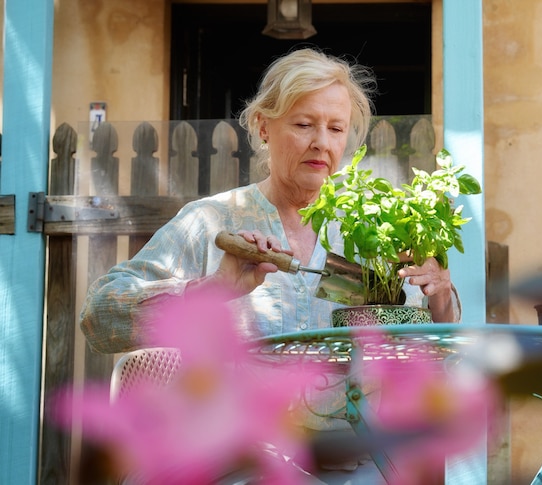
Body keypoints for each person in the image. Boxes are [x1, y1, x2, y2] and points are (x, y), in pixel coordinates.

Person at [79, 48, 460, 483]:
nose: (322, 142)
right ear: (263, 126)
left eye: (336, 128)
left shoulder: (371, 229)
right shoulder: (212, 221)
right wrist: (213, 288)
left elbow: (429, 353)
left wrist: (441, 299)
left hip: (351, 461)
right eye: (303, 125)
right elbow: (99, 317)